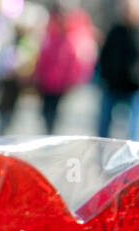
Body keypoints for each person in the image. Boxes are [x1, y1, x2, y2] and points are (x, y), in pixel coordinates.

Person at [96, 0, 139, 141]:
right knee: (103, 128)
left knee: (137, 130)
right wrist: (106, 76)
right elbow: (105, 56)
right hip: (114, 86)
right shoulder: (116, 31)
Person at [33, 2, 97, 134]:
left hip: (65, 85)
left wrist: (72, 81)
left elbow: (80, 62)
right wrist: (38, 75)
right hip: (47, 82)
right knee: (46, 115)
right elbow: (43, 57)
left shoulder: (77, 34)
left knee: (59, 117)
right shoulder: (51, 32)